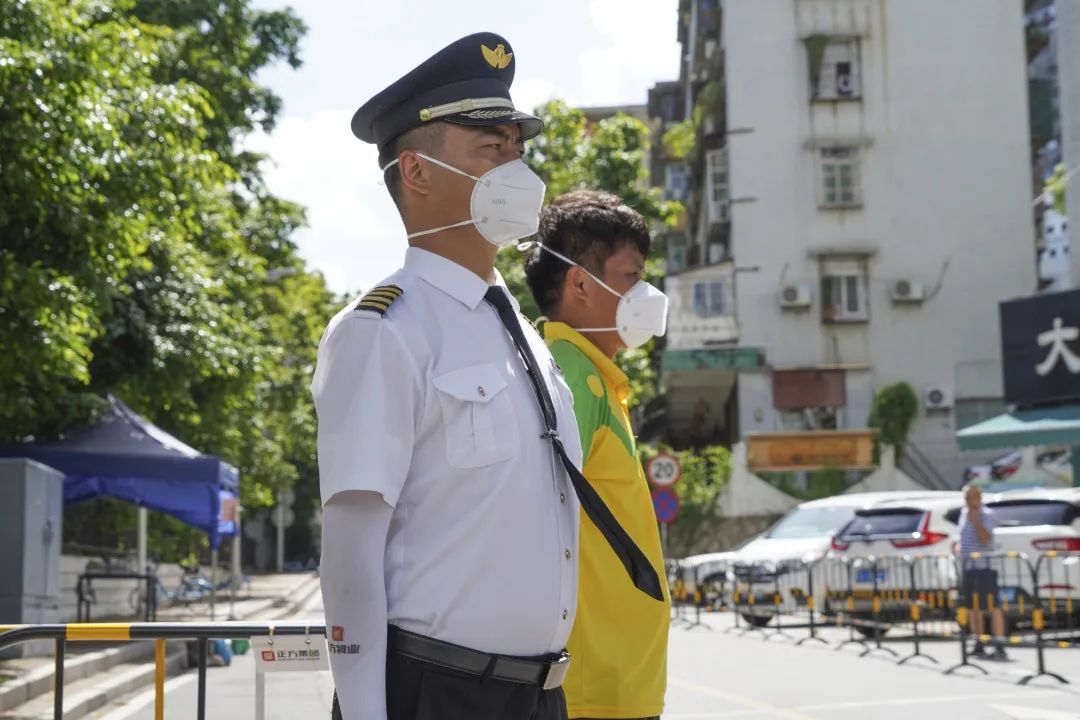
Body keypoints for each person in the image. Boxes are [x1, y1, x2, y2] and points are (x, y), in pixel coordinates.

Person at [313, 33, 661, 720]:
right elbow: (351, 551)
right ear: (416, 171)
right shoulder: (384, 330)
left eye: (517, 147)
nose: (516, 168)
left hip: (541, 695)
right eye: (490, 148)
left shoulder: (523, 337)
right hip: (438, 690)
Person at [524, 190, 671, 720]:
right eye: (631, 276)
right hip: (593, 687)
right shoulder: (571, 374)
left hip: (615, 682)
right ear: (580, 284)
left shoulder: (594, 375)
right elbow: (537, 514)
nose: (646, 292)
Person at [958, 484, 1007, 660]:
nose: (967, 501)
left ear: (978, 498)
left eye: (970, 497)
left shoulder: (987, 514)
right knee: (973, 607)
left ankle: (999, 643)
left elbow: (986, 538)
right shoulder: (963, 514)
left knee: (992, 606)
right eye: (965, 498)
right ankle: (978, 642)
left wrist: (976, 519)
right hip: (969, 567)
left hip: (985, 567)